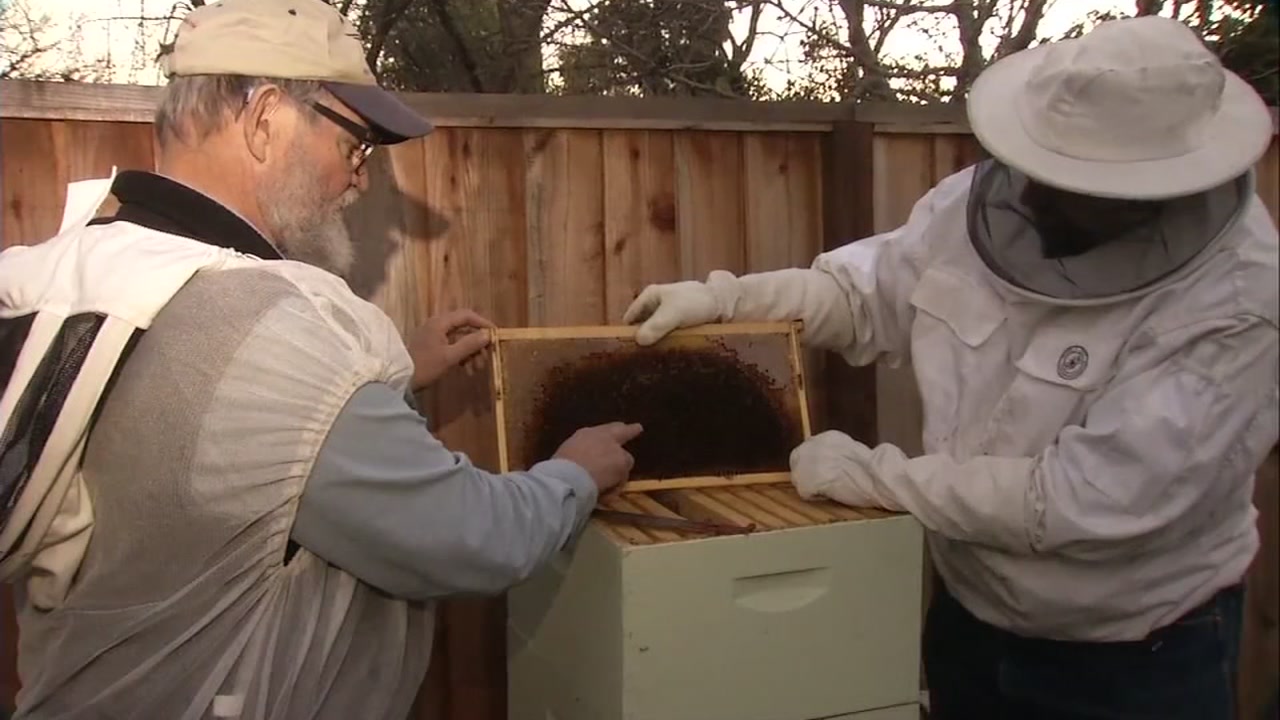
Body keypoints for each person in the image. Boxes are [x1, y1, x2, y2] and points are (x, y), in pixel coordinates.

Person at [0, 0, 641, 717]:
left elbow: (196, 440)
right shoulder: (277, 330)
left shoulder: (63, 273)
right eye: (355, 144)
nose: (359, 177)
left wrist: (391, 370)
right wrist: (572, 475)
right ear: (266, 119)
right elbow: (468, 533)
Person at [626, 15, 1278, 720]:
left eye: (1064, 186)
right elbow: (862, 293)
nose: (1028, 199)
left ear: (1147, 193)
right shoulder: (985, 201)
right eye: (1036, 169)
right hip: (969, 618)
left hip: (1137, 653)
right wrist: (731, 300)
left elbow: (1084, 498)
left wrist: (883, 481)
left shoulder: (1234, 299)